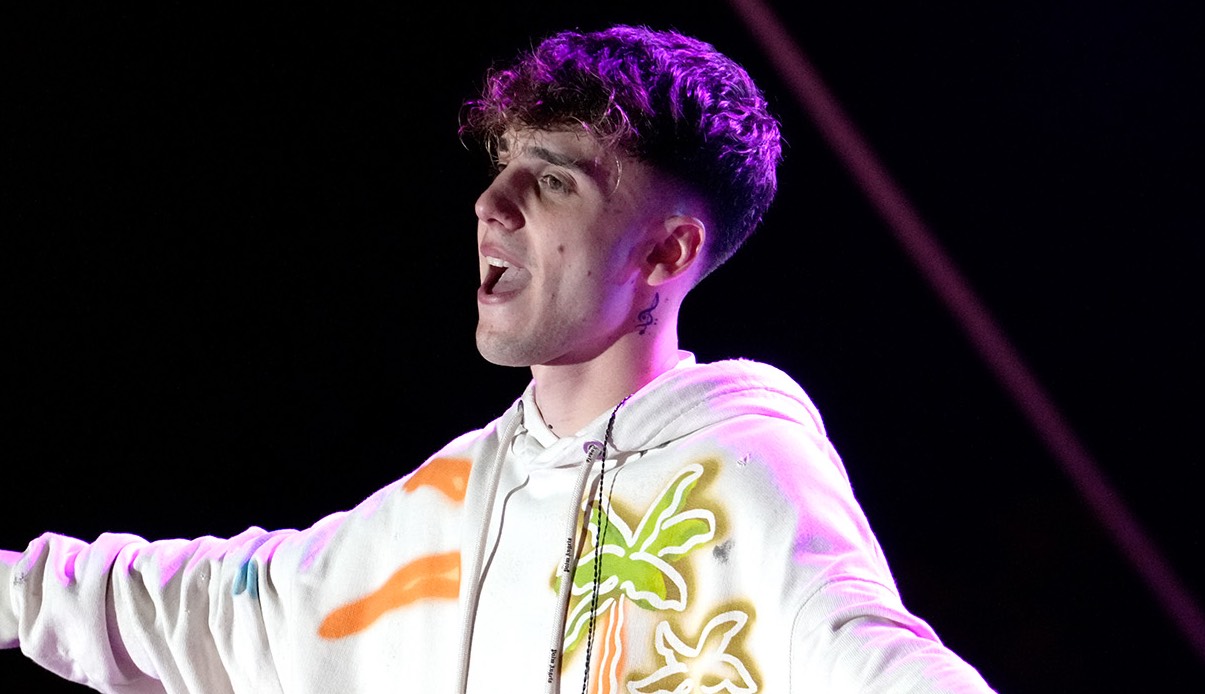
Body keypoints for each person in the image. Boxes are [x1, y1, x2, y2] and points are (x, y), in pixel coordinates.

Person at [1, 24, 996, 693]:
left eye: (553, 179)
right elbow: (206, 606)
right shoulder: (437, 514)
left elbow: (866, 653)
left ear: (665, 253)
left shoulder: (739, 469)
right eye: (502, 167)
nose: (490, 204)